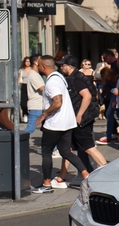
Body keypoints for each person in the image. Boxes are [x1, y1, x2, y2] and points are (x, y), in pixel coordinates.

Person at [32, 55, 88, 194]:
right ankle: (87, 175)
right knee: (65, 152)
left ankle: (46, 184)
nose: (37, 67)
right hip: (67, 122)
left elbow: (57, 102)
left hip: (55, 123)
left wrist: (44, 114)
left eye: (38, 65)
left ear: (44, 67)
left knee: (46, 152)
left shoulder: (51, 82)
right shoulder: (59, 77)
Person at [54, 55, 107, 188]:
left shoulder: (76, 79)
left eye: (63, 65)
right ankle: (61, 177)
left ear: (70, 66)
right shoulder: (73, 77)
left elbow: (87, 96)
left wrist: (79, 115)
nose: (61, 67)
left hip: (81, 120)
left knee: (88, 147)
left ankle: (107, 172)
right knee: (67, 149)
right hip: (74, 119)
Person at [96, 50, 119, 145]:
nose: (104, 60)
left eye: (105, 58)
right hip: (114, 92)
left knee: (111, 114)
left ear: (110, 56)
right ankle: (111, 134)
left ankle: (109, 135)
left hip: (116, 92)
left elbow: (115, 80)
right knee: (111, 114)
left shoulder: (116, 65)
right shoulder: (114, 65)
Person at [24, 54, 45, 134]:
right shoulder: (33, 74)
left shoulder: (36, 74)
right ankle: (17, 143)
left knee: (48, 129)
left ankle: (52, 146)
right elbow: (42, 88)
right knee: (30, 128)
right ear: (36, 62)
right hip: (36, 106)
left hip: (40, 105)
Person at [18, 56, 31, 123]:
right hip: (24, 85)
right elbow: (19, 78)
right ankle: (25, 114)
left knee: (30, 102)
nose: (28, 63)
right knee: (23, 103)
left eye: (29, 61)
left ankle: (30, 115)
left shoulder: (32, 69)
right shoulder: (21, 70)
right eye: (26, 61)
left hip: (31, 86)